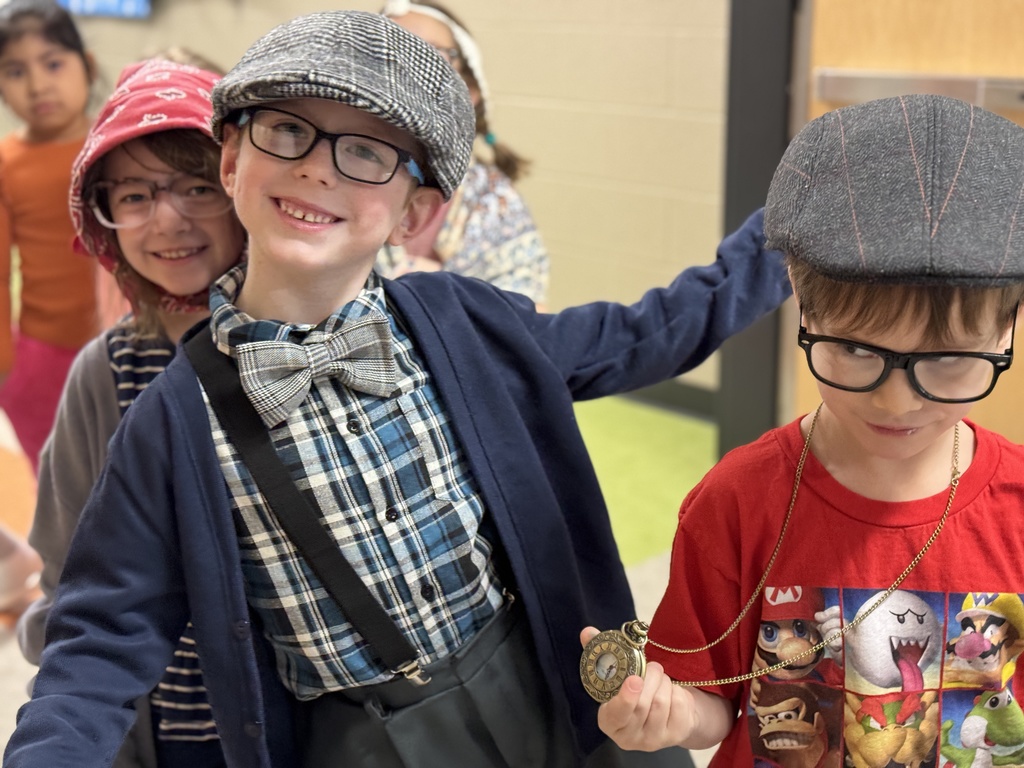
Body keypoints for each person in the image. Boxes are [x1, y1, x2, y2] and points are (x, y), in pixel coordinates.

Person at [3, 11, 789, 768]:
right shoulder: (169, 419)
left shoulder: (462, 321)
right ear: (232, 160)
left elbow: (648, 333)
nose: (318, 166)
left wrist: (789, 227)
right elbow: (101, 638)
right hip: (368, 736)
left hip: (556, 681)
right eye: (286, 131)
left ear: (415, 211)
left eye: (370, 152)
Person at [583, 93, 1024, 767]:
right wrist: (664, 717)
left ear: (1008, 328)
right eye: (856, 351)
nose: (898, 401)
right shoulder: (736, 500)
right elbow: (712, 707)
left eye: (949, 361)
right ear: (798, 294)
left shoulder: (1015, 504)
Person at [15, 57, 245, 768]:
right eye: (136, 196)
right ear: (104, 216)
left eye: (197, 186)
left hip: (305, 723)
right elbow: (68, 569)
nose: (167, 220)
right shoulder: (107, 372)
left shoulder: (303, 345)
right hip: (163, 723)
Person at [379, 0, 549, 306]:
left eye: (429, 56)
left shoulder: (494, 202)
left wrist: (443, 299)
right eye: (387, 51)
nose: (405, 71)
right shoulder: (336, 175)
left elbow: (528, 312)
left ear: (469, 93)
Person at [0, 0, 107, 473]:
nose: (39, 84)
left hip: (127, 347)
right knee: (61, 490)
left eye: (53, 63)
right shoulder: (6, 163)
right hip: (42, 361)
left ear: (86, 66)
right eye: (15, 71)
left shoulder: (116, 143)